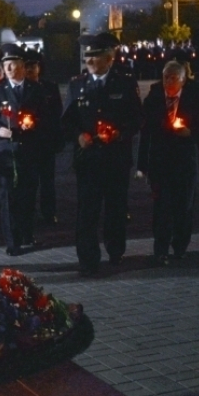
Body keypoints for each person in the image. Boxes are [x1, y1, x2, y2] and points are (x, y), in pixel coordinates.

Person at [61, 32, 143, 276]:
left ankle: (115, 250)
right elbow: (66, 122)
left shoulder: (125, 82)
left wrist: (119, 133)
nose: (89, 61)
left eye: (95, 56)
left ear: (110, 58)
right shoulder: (77, 84)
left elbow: (137, 119)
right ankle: (87, 259)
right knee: (87, 210)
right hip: (88, 160)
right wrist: (78, 136)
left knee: (115, 208)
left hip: (116, 157)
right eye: (87, 57)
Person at [137, 61, 199, 265]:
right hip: (161, 161)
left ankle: (180, 246)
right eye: (165, 77)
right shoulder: (154, 98)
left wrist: (191, 133)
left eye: (173, 78)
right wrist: (142, 166)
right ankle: (160, 249)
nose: (169, 82)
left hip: (185, 160)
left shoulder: (194, 97)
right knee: (161, 206)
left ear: (183, 80)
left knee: (183, 206)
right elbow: (146, 133)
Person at [0, 43, 56, 257]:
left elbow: (47, 118)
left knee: (27, 193)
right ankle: (12, 240)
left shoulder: (36, 90)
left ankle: (27, 233)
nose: (9, 69)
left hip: (30, 149)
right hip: (7, 152)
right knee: (8, 196)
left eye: (13, 64)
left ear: (22, 66)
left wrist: (34, 124)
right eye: (6, 65)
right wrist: (0, 131)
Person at [24, 49, 63, 225]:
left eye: (33, 66)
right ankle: (29, 212)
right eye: (27, 66)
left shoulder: (50, 87)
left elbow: (57, 114)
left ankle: (49, 212)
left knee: (48, 181)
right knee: (29, 182)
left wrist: (56, 138)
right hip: (28, 142)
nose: (30, 69)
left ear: (39, 67)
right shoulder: (22, 88)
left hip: (46, 141)